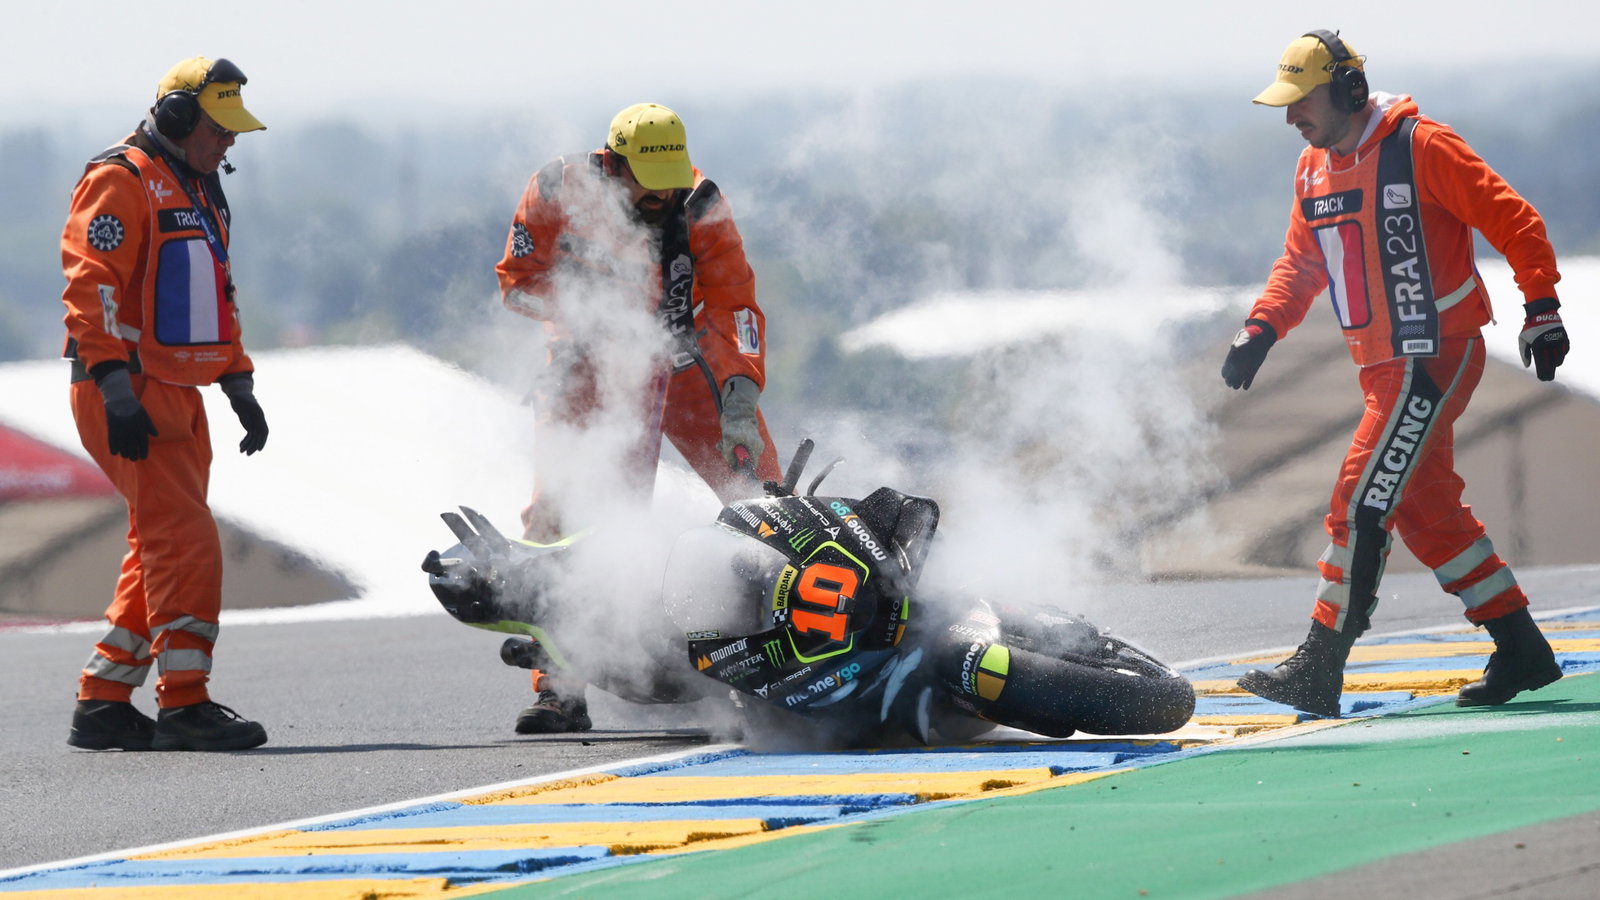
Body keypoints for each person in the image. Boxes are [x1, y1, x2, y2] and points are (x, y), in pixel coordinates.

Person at [1223, 30, 1570, 718]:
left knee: (1359, 499)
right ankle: (1522, 647)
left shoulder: (1421, 146)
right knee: (1423, 506)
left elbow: (1513, 218)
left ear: (1350, 91)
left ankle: (1319, 664)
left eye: (1302, 102)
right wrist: (1262, 328)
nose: (1292, 118)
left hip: (1435, 353)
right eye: (1286, 106)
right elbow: (1301, 264)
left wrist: (1542, 308)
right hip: (1380, 367)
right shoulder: (1313, 170)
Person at [493, 102, 782, 733]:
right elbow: (516, 281)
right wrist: (584, 319)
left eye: (669, 184)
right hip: (584, 363)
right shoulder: (554, 189)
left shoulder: (702, 206)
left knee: (765, 498)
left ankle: (785, 662)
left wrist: (740, 394)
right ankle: (559, 688)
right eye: (649, 188)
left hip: (686, 362)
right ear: (613, 163)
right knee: (562, 518)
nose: (662, 198)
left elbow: (736, 305)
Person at [61, 57, 272, 751]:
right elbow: (92, 285)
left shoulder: (200, 187)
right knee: (185, 542)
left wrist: (238, 383)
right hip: (129, 391)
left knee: (158, 541)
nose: (230, 141)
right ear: (179, 118)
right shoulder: (121, 179)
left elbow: (217, 292)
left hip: (177, 392)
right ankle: (184, 703)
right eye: (219, 127)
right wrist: (116, 387)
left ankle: (103, 699)